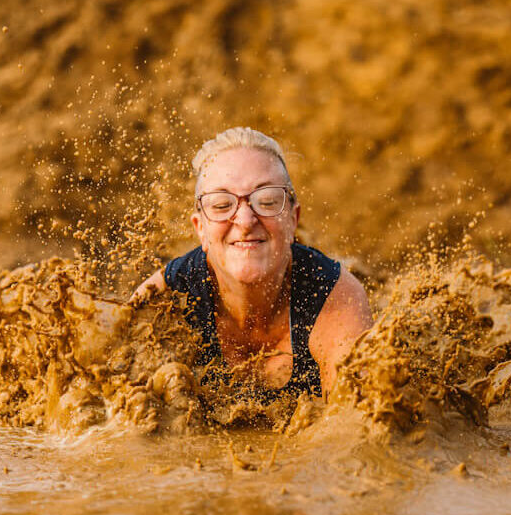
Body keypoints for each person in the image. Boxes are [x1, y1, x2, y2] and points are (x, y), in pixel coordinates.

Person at [133, 127, 373, 400]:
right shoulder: (163, 301)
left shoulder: (335, 298)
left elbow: (356, 426)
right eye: (222, 205)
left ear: (293, 219)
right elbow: (113, 426)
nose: (246, 221)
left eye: (267, 201)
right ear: (200, 228)